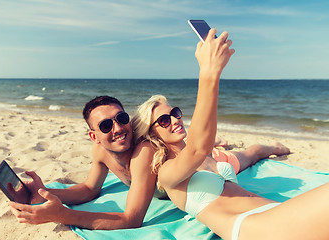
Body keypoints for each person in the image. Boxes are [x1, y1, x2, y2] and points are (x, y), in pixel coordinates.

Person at [131, 28, 329, 240]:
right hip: (255, 227)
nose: (175, 119)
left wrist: (265, 148)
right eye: (163, 120)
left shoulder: (207, 157)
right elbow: (199, 147)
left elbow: (217, 146)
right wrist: (209, 71)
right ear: (152, 134)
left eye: (175, 113)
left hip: (273, 214)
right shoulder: (168, 173)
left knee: (253, 153)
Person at [8, 95, 234, 229]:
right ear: (94, 136)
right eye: (106, 126)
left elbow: (132, 219)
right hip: (183, 162)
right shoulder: (100, 151)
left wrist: (61, 214)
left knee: (240, 159)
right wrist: (43, 191)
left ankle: (267, 147)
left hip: (198, 166)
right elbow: (89, 189)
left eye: (121, 118)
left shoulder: (143, 152)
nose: (118, 129)